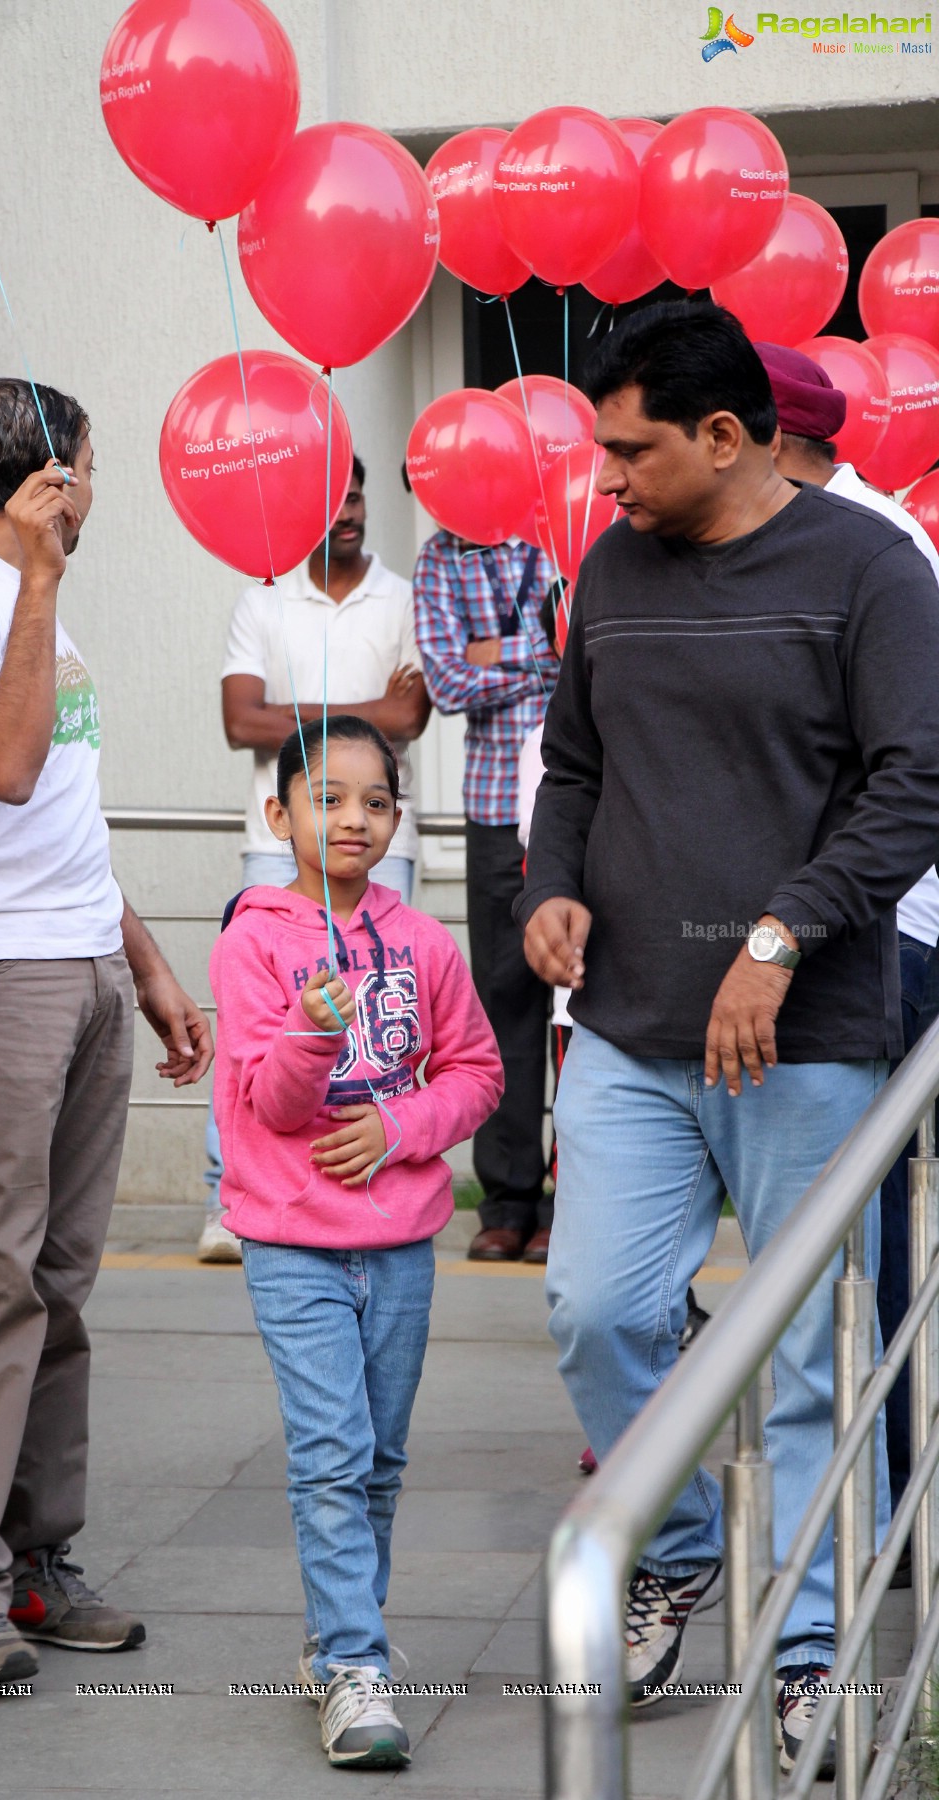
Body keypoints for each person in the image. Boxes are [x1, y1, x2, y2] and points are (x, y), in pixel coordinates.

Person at [519, 301, 939, 1778]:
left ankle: (812, 1650)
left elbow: (915, 784)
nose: (606, 474)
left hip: (805, 1033)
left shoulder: (872, 571)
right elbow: (574, 764)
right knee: (596, 1313)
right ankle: (683, 1542)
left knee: (816, 1359)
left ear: (722, 434)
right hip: (630, 1029)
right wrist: (550, 884)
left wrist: (782, 935)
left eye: (629, 448)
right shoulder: (613, 569)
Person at [0, 377, 213, 1691]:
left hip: (74, 959)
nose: (98, 491)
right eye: (88, 468)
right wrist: (38, 578)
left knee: (57, 1294)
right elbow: (3, 765)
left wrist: (144, 964)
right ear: (47, 482)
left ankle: (34, 1564)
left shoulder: (27, 606)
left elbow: (58, 813)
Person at [209, 714, 502, 1768]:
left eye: (376, 802)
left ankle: (337, 1640)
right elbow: (272, 1106)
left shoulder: (424, 942)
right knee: (331, 1453)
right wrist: (316, 1030)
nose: (352, 818)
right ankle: (355, 1664)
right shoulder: (252, 940)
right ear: (277, 813)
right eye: (326, 797)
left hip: (402, 1241)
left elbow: (476, 1072)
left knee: (378, 1459)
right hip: (293, 1242)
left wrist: (401, 1127)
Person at [756, 340, 939, 1566]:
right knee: (866, 1245)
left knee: (862, 1247)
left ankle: (879, 1530)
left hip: (878, 938)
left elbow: (899, 774)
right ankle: (881, 1520)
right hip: (838, 932)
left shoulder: (871, 553)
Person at [199, 457, 428, 1263]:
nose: (347, 512)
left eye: (357, 496)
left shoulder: (401, 596)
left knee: (372, 1012)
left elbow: (416, 717)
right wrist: (367, 720)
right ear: (299, 514)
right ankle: (230, 1193)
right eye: (330, 500)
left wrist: (294, 721)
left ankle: (351, 1177)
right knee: (259, 1022)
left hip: (381, 851)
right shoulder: (261, 600)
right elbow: (239, 721)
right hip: (276, 849)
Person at [413, 526, 558, 1263]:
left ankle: (576, 1197)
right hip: (498, 808)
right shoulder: (442, 556)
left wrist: (494, 651)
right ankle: (507, 1200)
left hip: (583, 800)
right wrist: (540, 656)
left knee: (587, 999)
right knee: (503, 998)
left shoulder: (568, 529)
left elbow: (585, 657)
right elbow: (444, 682)